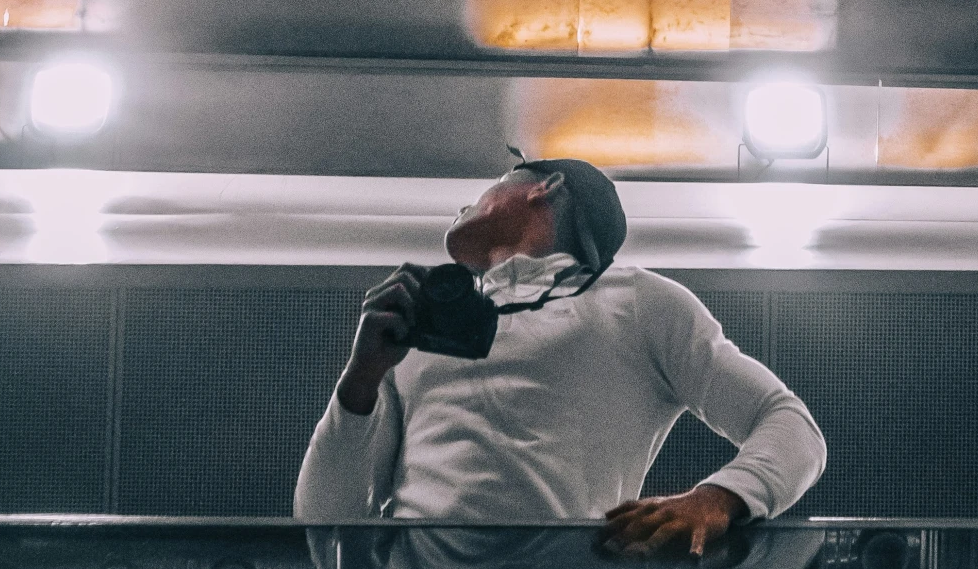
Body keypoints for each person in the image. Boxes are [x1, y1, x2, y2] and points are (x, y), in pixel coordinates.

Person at [295, 155, 826, 553]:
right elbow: (323, 519)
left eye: (493, 184)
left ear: (544, 187)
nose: (464, 204)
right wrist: (361, 377)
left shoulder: (639, 301)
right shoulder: (422, 326)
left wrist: (720, 498)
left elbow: (790, 424)